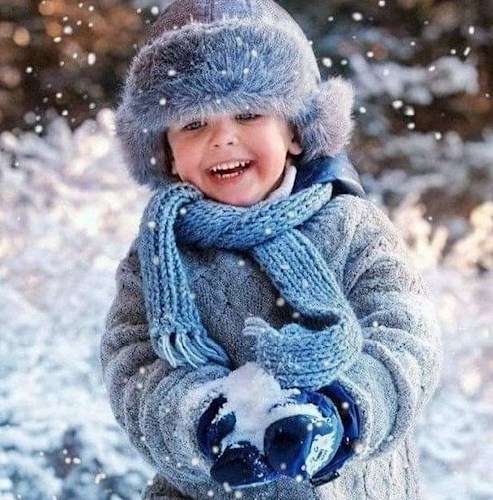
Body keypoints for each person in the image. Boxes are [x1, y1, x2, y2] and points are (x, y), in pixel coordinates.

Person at [100, 0, 442, 498]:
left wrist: (342, 413)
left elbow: (406, 337)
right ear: (167, 153)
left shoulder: (352, 226)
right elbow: (133, 367)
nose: (223, 138)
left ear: (297, 132)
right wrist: (206, 419)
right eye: (193, 123)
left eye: (248, 113)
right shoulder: (156, 255)